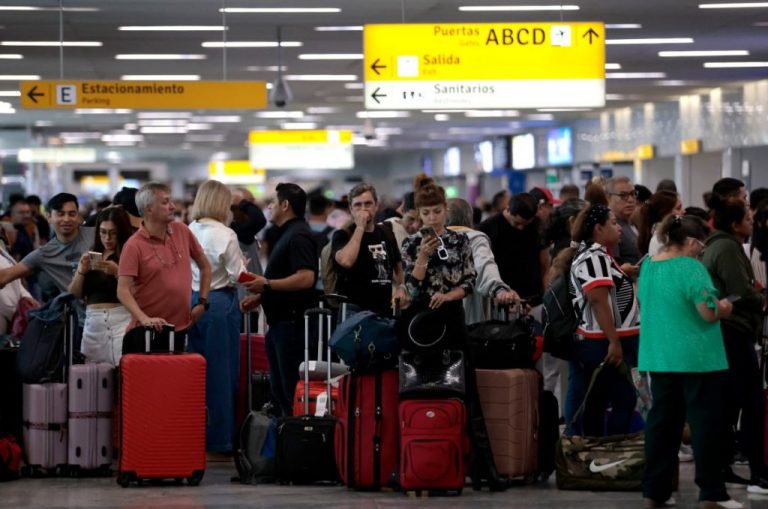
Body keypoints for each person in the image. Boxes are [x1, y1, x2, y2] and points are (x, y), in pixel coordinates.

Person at [402, 175, 509, 491]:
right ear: (418, 214)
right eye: (426, 213)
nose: (432, 218)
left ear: (445, 210)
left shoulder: (461, 242)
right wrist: (423, 256)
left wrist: (449, 295)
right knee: (422, 389)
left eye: (437, 212)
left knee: (469, 393)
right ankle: (424, 461)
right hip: (422, 324)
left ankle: (485, 468)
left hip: (453, 318)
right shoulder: (411, 244)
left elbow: (469, 282)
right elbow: (411, 287)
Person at [639, 214, 740, 509]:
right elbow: (708, 311)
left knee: (662, 425)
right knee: (705, 424)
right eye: (702, 246)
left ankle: (655, 491)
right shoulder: (691, 267)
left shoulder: (648, 266)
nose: (702, 252)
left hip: (659, 355)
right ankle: (712, 493)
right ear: (692, 241)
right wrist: (725, 307)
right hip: (697, 357)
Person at [700, 195, 768, 493]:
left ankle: (723, 466)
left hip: (726, 331)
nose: (752, 223)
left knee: (728, 404)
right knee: (752, 402)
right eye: (748, 219)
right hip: (732, 330)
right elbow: (740, 290)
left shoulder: (719, 245)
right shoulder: (727, 248)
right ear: (735, 223)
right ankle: (758, 473)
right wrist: (760, 298)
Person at [553, 204, 640, 436]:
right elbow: (597, 300)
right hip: (601, 342)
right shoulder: (593, 257)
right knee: (623, 399)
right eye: (613, 223)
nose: (619, 228)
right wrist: (614, 342)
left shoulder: (598, 256)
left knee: (599, 400)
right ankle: (611, 447)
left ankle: (598, 447)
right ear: (598, 229)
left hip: (602, 341)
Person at [240, 183, 317, 417]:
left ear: (285, 205)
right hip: (280, 325)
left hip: (290, 326)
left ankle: (294, 433)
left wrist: (267, 285)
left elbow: (306, 278)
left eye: (273, 202)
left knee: (289, 390)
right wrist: (262, 296)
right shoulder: (287, 233)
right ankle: (285, 433)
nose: (269, 206)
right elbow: (285, 277)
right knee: (280, 391)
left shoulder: (299, 235)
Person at [186, 180, 246, 456]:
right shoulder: (226, 234)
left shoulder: (189, 229)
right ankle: (220, 439)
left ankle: (193, 433)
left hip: (191, 301)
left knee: (194, 372)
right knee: (221, 374)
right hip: (220, 303)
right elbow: (238, 275)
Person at [117, 182, 212, 349]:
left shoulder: (182, 230)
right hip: (147, 331)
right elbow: (122, 290)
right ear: (148, 209)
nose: (172, 206)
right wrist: (144, 319)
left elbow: (205, 266)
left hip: (180, 329)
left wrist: (202, 302)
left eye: (171, 201)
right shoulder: (133, 245)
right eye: (165, 202)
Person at [68, 207, 133, 366]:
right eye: (103, 232)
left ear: (121, 232)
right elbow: (74, 293)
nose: (107, 238)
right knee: (93, 375)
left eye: (113, 233)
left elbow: (139, 291)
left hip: (121, 319)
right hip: (93, 322)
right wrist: (81, 271)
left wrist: (118, 272)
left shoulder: (130, 253)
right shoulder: (92, 253)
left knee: (123, 371)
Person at [0, 193, 94, 300]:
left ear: (78, 216)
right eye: (60, 214)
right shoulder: (44, 254)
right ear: (49, 217)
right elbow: (5, 276)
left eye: (72, 214)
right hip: (79, 309)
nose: (66, 219)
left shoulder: (98, 235)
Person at [331, 183, 407, 316]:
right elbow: (346, 261)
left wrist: (401, 287)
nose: (363, 209)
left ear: (376, 206)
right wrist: (360, 228)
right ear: (351, 208)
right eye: (358, 205)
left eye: (368, 204)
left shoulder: (386, 232)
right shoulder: (342, 235)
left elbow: (398, 267)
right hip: (354, 313)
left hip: (384, 311)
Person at [446, 197, 519, 324]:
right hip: (468, 318)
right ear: (469, 217)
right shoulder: (475, 239)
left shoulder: (428, 241)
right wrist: (499, 289)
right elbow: (485, 267)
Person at [478, 193, 549, 306]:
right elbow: (483, 268)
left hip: (534, 298)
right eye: (517, 223)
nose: (521, 228)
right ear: (508, 209)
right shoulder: (488, 228)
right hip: (503, 299)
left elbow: (545, 264)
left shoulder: (536, 224)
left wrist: (547, 295)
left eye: (525, 224)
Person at [607, 176, 642, 275]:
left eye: (633, 194)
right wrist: (621, 270)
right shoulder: (608, 227)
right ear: (608, 198)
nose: (630, 200)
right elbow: (611, 264)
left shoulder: (632, 223)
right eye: (623, 195)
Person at [636, 191, 683, 256]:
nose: (684, 211)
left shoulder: (668, 234)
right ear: (665, 214)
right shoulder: (661, 239)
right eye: (678, 208)